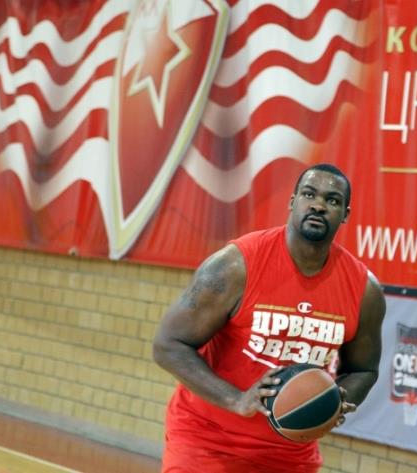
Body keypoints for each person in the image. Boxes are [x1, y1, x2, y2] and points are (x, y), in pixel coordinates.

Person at [152, 163, 386, 472]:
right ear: (292, 201)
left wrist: (335, 402)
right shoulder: (235, 266)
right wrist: (236, 399)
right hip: (207, 440)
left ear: (345, 214)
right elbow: (168, 345)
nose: (318, 205)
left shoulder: (364, 290)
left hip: (290, 452)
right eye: (309, 194)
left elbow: (364, 369)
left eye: (332, 200)